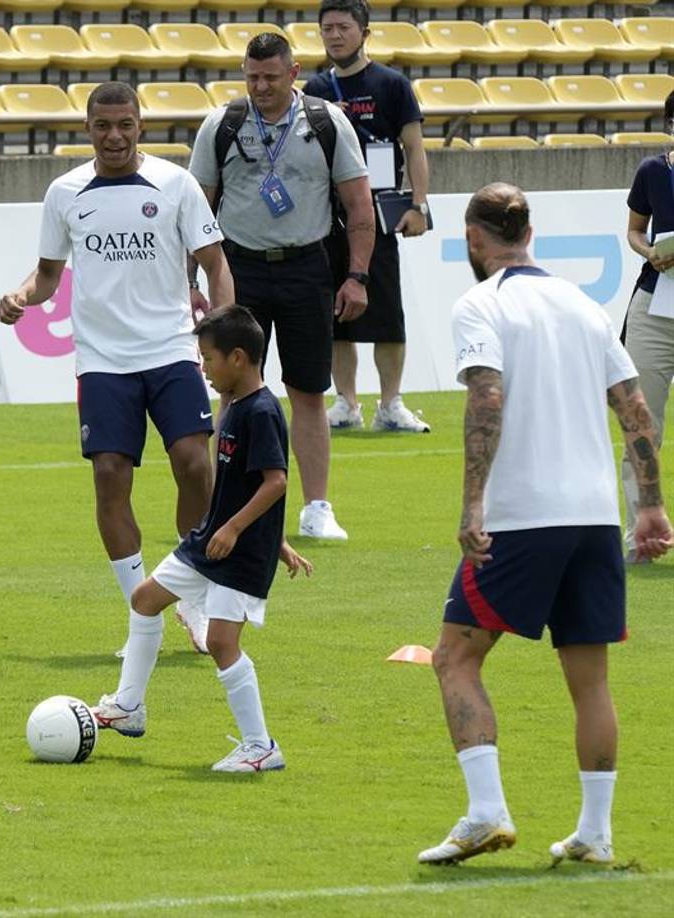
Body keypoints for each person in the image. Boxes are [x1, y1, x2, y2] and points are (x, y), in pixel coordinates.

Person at [418, 183, 672, 867]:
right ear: (530, 233)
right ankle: (595, 833)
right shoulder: (584, 306)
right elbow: (635, 409)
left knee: (455, 657)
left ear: (474, 239)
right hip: (595, 517)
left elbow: (487, 396)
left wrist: (473, 504)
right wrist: (650, 504)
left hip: (524, 517)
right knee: (590, 679)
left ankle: (486, 812)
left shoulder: (481, 304)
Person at [0, 81, 234, 656]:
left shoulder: (175, 184)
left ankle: (193, 595)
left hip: (171, 349)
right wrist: (21, 295)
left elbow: (215, 263)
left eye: (125, 125)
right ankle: (142, 612)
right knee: (109, 474)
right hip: (103, 360)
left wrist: (221, 332)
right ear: (88, 129)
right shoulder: (65, 191)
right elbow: (48, 274)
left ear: (140, 126)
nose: (114, 136)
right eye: (103, 126)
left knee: (194, 465)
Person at [91, 305, 313, 772]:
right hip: (209, 540)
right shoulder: (233, 406)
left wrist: (240, 531)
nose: (204, 368)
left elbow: (275, 482)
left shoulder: (262, 412)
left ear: (238, 358)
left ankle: (261, 746)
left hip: (238, 549)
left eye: (208, 358)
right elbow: (241, 487)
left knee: (221, 642)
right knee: (145, 599)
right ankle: (129, 705)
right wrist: (267, 538)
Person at [189, 32, 375, 541]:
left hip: (307, 268)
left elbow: (359, 204)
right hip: (237, 268)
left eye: (271, 77)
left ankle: (317, 508)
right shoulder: (222, 124)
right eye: (252, 77)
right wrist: (191, 281)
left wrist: (356, 276)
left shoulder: (326, 122)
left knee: (308, 391)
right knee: (232, 389)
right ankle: (225, 506)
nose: (261, 86)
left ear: (294, 74)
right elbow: (196, 209)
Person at [304, 0, 431, 433]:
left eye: (344, 27)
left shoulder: (392, 84)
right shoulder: (314, 90)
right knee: (336, 315)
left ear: (364, 32)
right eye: (327, 28)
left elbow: (414, 147)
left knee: (388, 315)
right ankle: (346, 402)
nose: (335, 35)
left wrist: (418, 205)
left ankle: (391, 404)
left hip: (379, 214)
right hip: (327, 217)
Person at [621, 89, 674, 565]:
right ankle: (640, 532)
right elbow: (635, 230)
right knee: (642, 422)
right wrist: (649, 252)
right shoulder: (652, 172)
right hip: (655, 307)